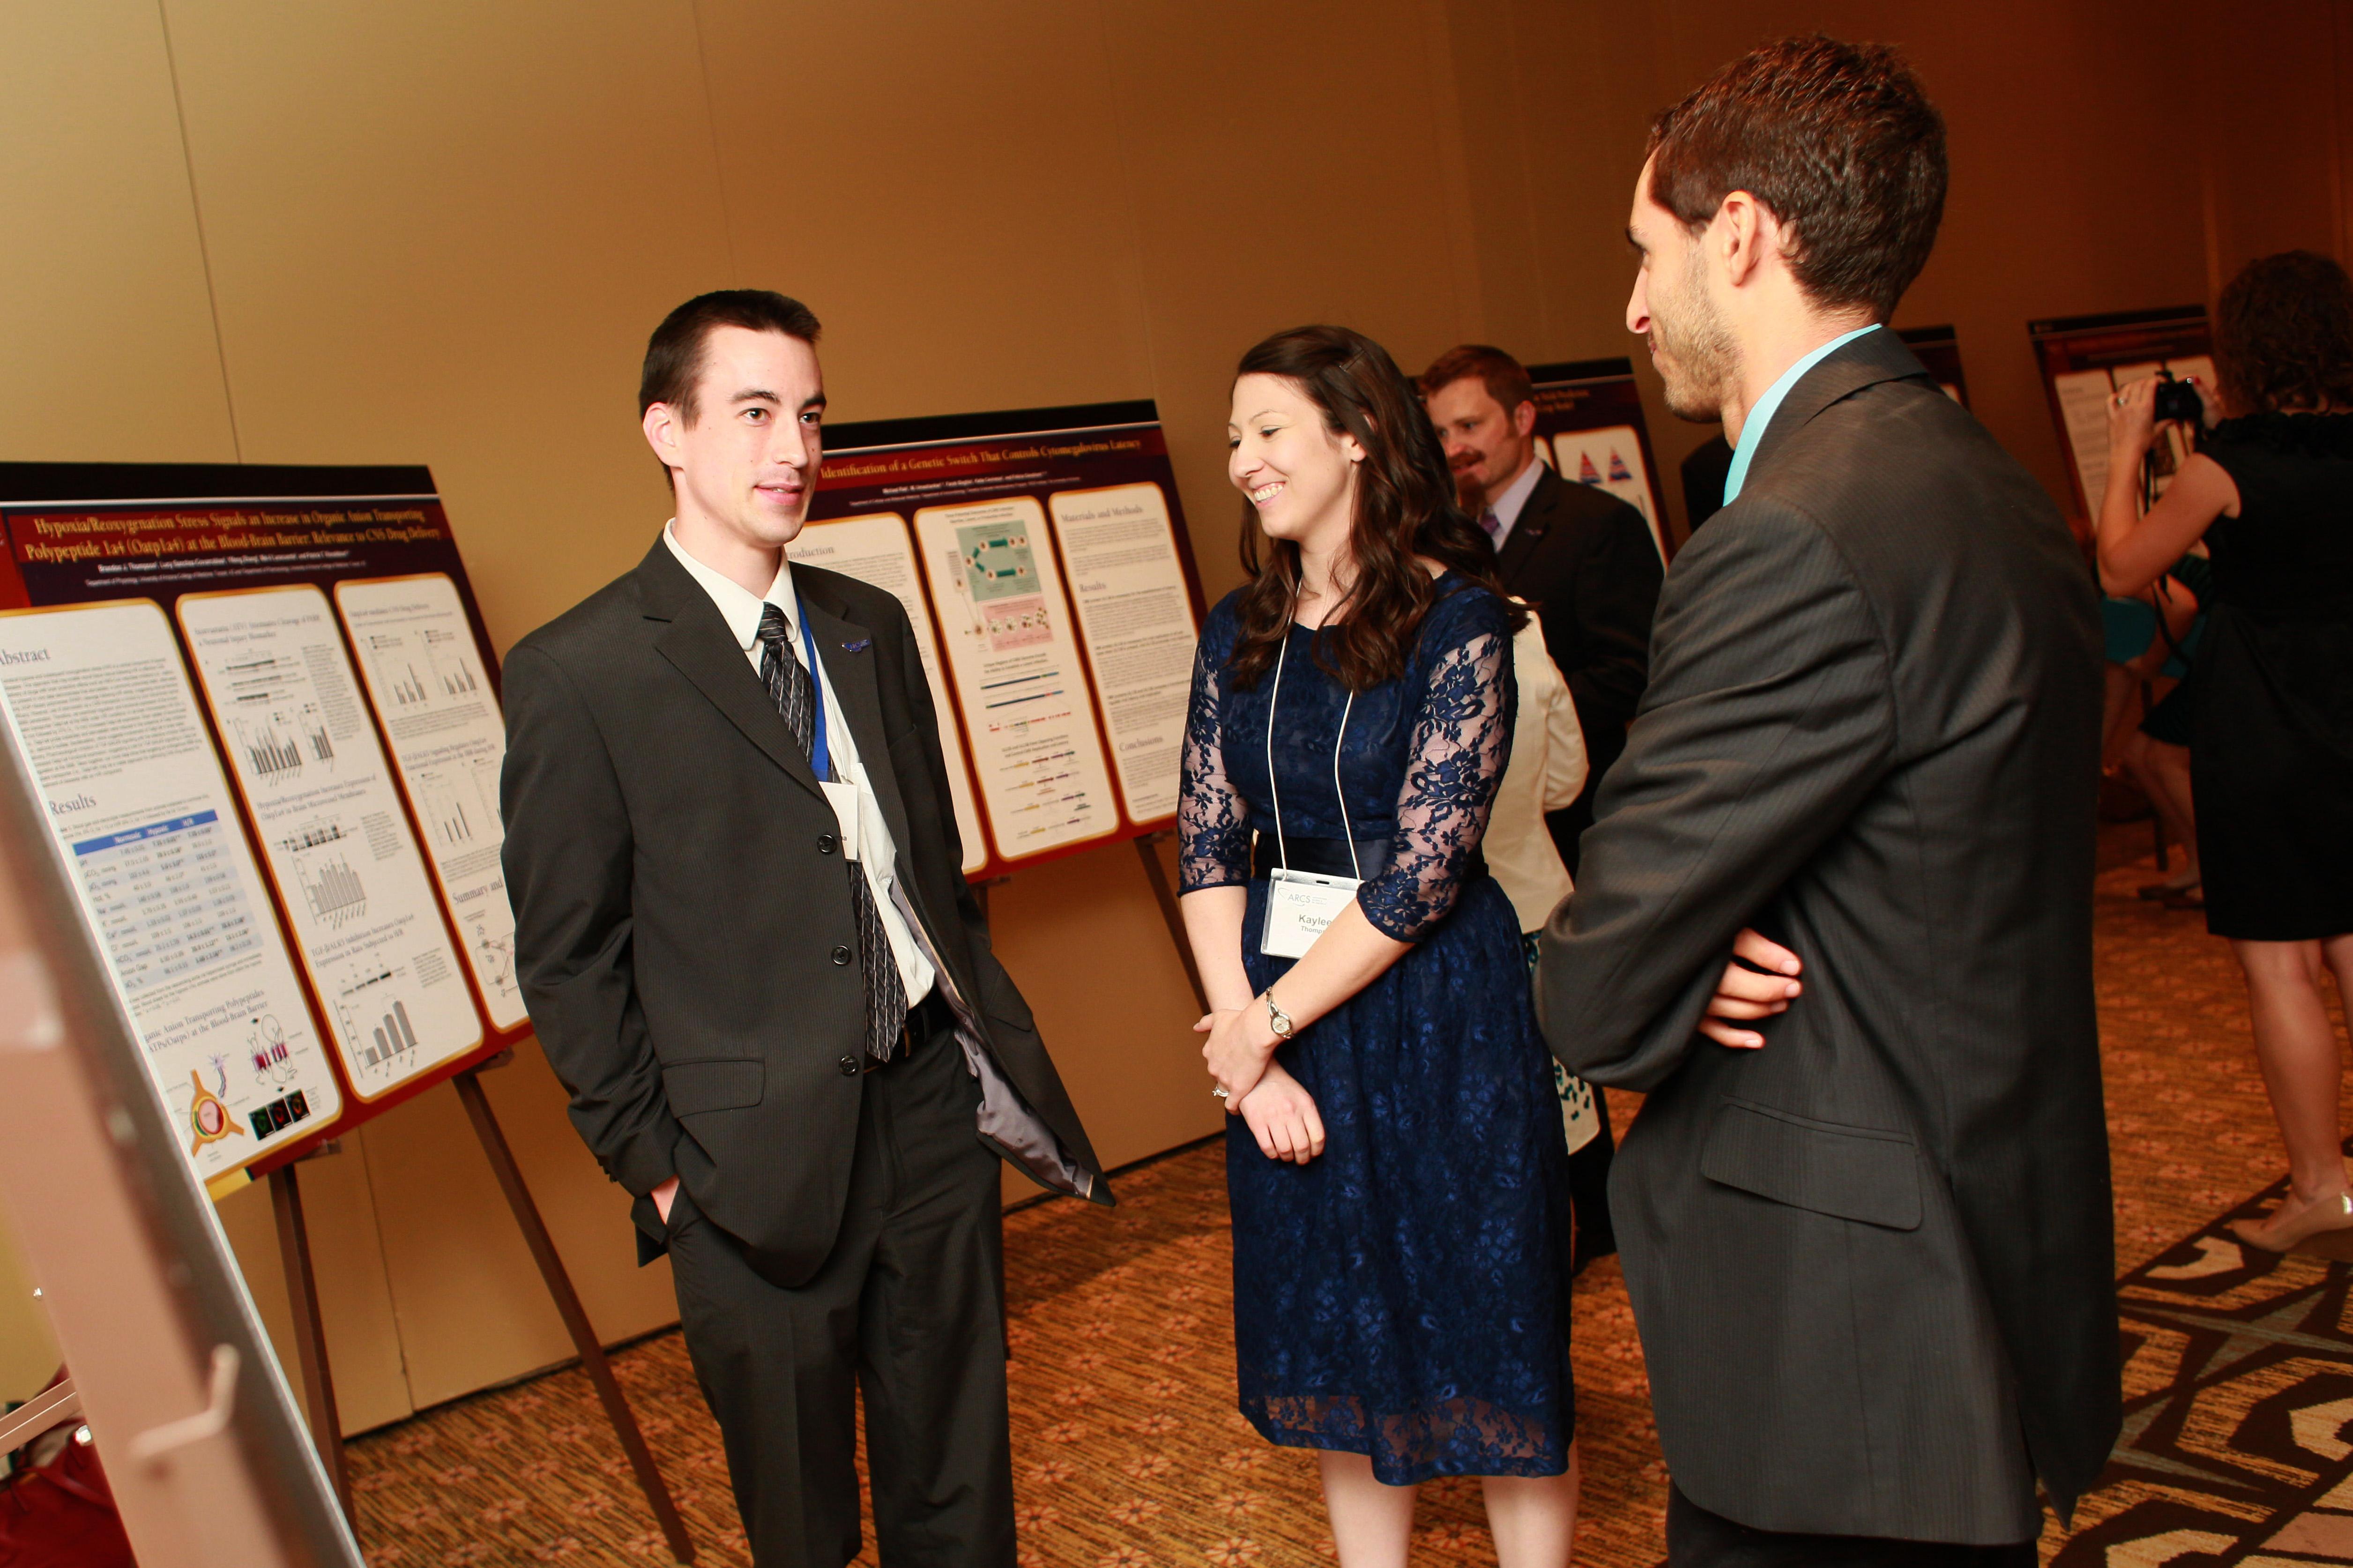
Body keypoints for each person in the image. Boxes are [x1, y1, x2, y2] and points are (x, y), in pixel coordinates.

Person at [1538, 35, 2118, 1564]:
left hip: (1842, 1329)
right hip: (1979, 1242)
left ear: (1738, 234)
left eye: (1645, 251)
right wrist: (1700, 932)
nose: (1633, 307)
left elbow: (1595, 981)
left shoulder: (1789, 531)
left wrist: (1668, 953)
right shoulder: (1980, 478)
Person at [500, 290, 1107, 1568]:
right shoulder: (582, 672)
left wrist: (963, 1067)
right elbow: (567, 960)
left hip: (927, 1124)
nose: (794, 450)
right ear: (666, 431)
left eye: (812, 416)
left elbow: (929, 872)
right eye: (756, 413)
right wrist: (664, 1174)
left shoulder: (866, 625)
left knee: (959, 1500)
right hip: (743, 1174)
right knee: (801, 1526)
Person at [1179, 325, 1578, 1568]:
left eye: (1268, 430)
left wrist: (1260, 1025)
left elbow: (1424, 872)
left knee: (1498, 1340)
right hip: (1288, 1031)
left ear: (1355, 436)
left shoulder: (1459, 621)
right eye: (1233, 436)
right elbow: (1206, 845)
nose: (1242, 459)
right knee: (1341, 1345)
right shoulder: (1236, 631)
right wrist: (1248, 1051)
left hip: (1442, 1018)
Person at [2096, 249, 2353, 1258]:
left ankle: (2323, 1187)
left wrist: (2128, 449)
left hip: (2264, 726)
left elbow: (2123, 570)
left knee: (2282, 962)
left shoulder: (2225, 467)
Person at [1420, 346, 1663, 878]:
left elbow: (1633, 671)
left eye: (1470, 426)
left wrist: (1515, 716)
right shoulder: (1444, 544)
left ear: (1523, 418)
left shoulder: (1599, 523)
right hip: (1483, 832)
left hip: (1583, 819)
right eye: (1441, 433)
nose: (1454, 448)